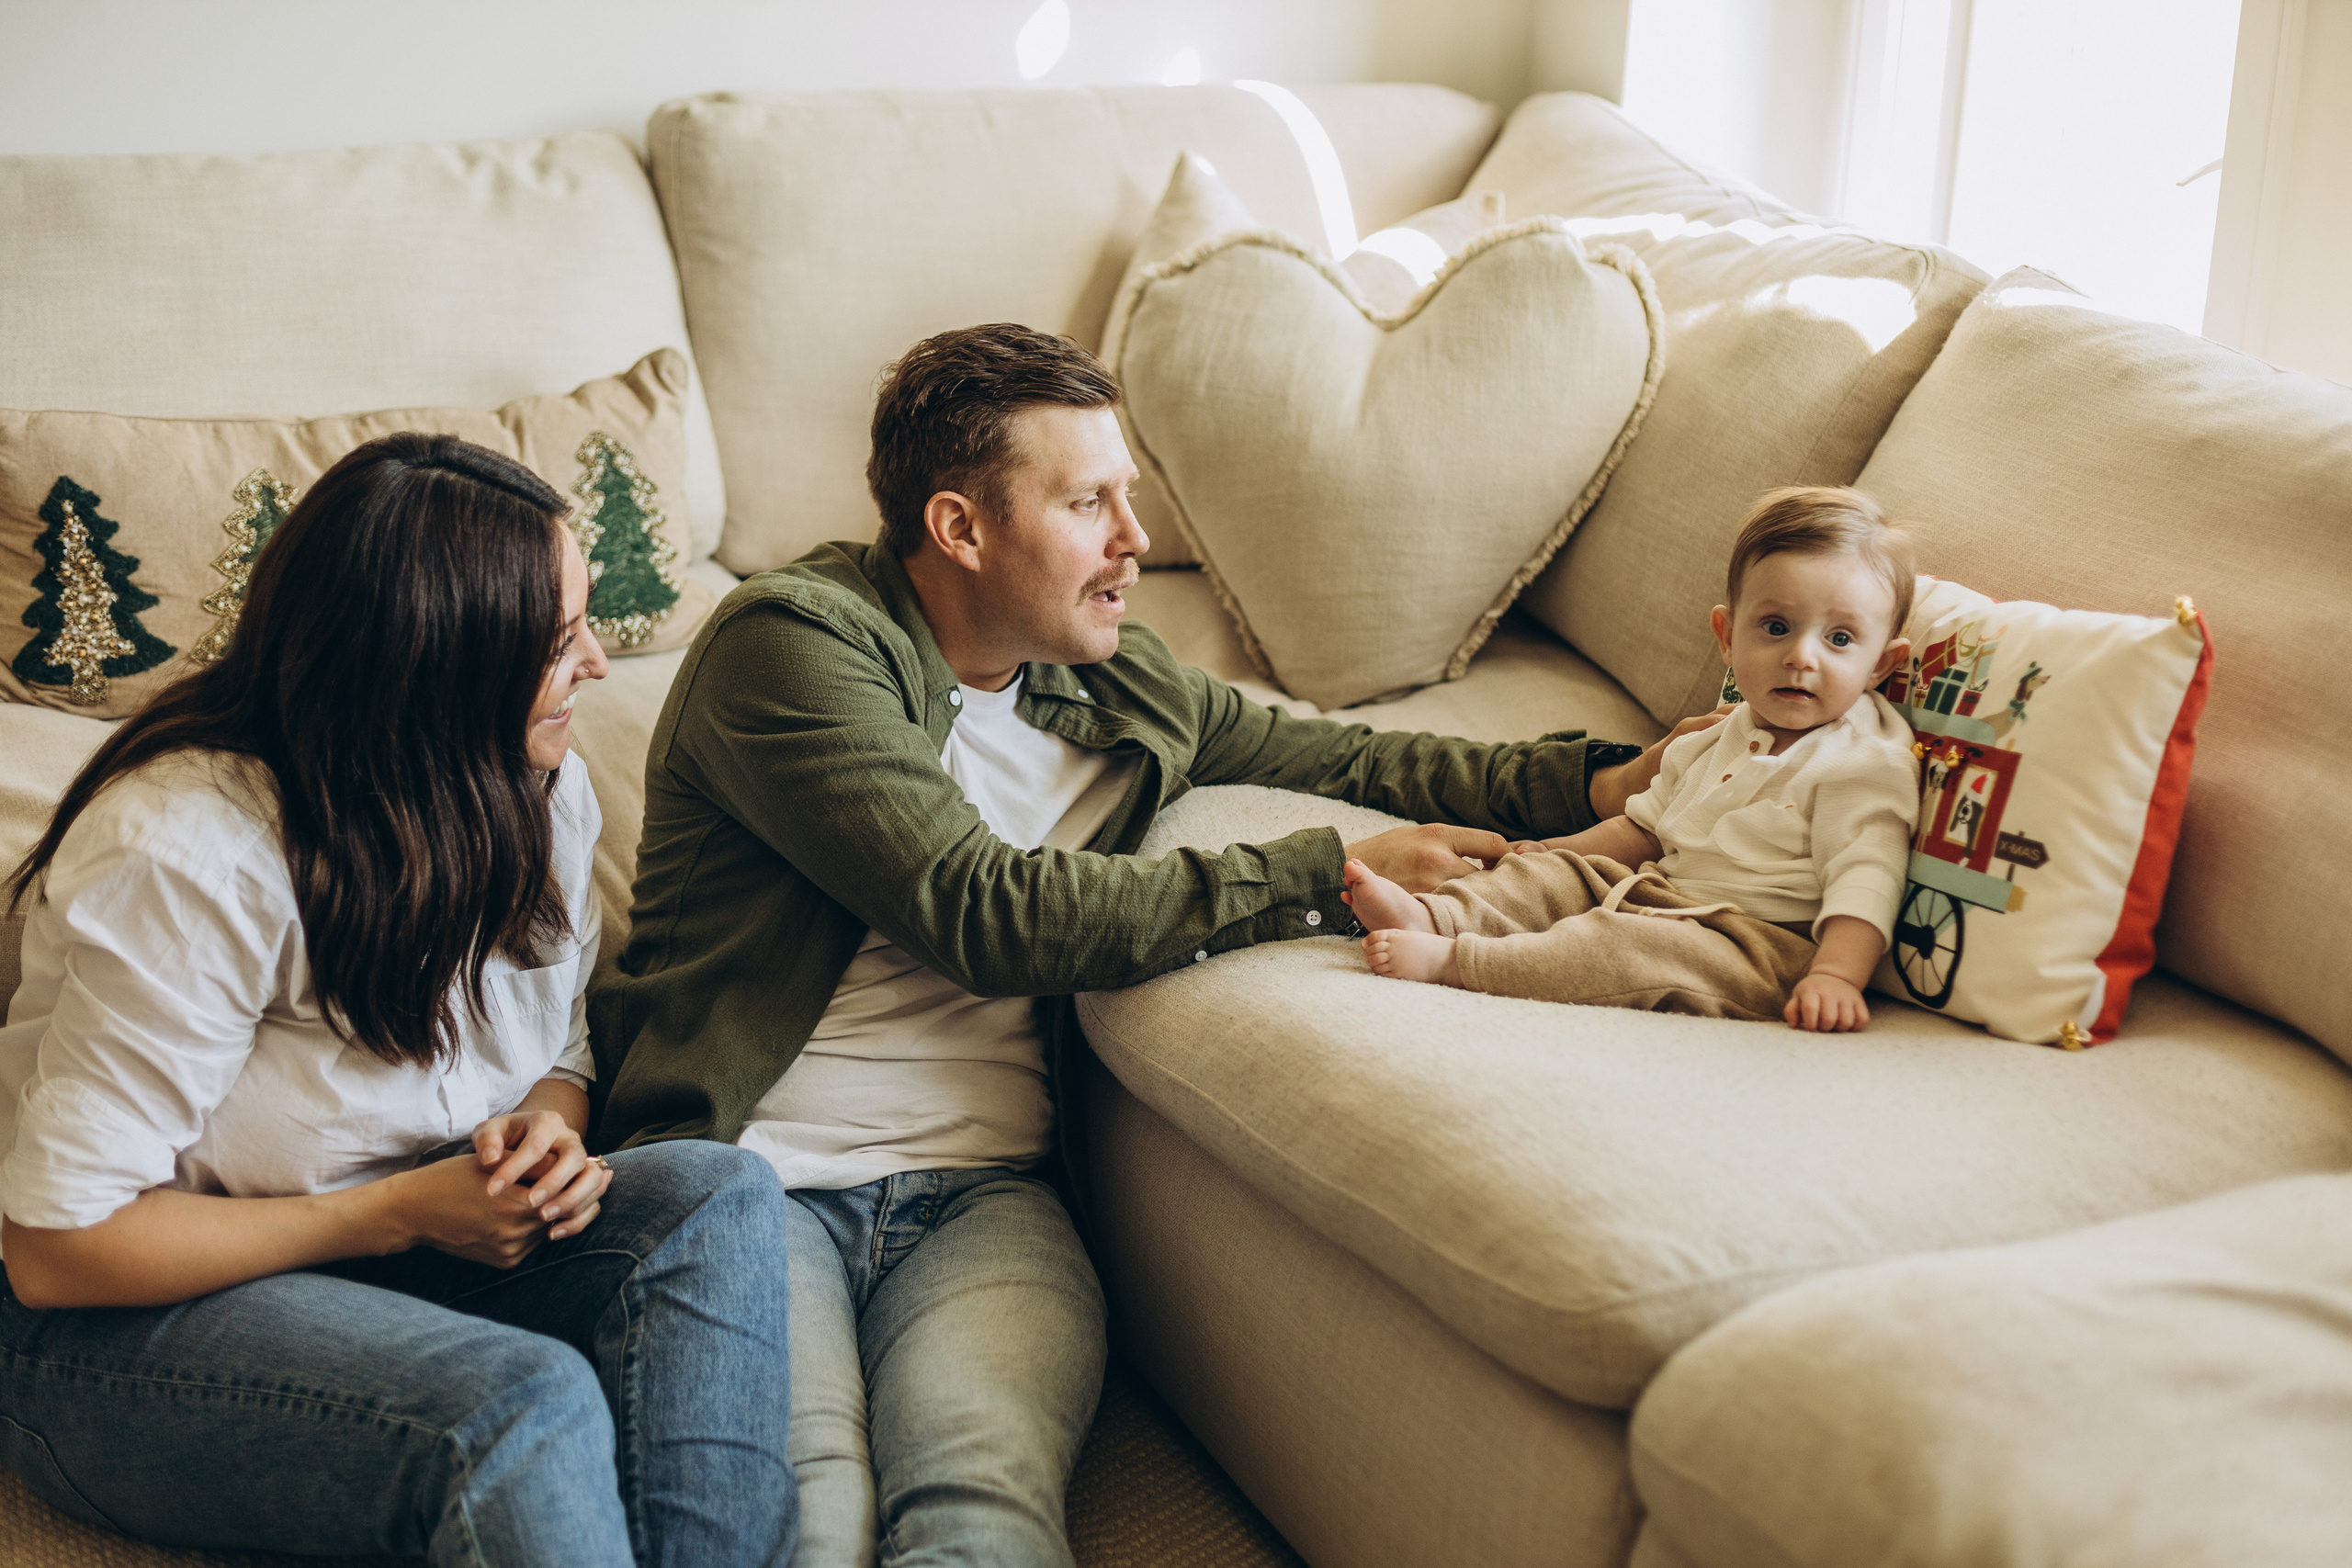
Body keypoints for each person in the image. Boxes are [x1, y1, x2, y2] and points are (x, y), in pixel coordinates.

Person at [590, 322, 1712, 1567]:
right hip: (754, 1179)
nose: (1135, 536)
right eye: (1088, 502)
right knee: (813, 1508)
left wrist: (1607, 774)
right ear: (960, 528)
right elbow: (984, 912)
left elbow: (1346, 753)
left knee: (981, 1492)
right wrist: (1317, 877)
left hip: (987, 1194)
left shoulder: (1112, 676)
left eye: (1128, 494)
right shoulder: (793, 645)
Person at [0, 434, 797, 1567]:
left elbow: (555, 1040)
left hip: (404, 1251)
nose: (601, 666)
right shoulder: (189, 856)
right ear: (438, 667)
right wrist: (403, 1213)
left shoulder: (532, 781)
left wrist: (545, 1134)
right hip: (107, 1324)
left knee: (715, 1196)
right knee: (521, 1403)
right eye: (560, 640)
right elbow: (56, 1248)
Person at [1348, 486, 1921, 1033]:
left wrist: (1836, 976)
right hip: (1655, 891)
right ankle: (1434, 917)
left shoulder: (1864, 764)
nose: (1801, 656)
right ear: (1727, 636)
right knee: (1560, 878)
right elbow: (1641, 829)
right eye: (1776, 628)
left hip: (1757, 946)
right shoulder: (1717, 734)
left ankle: (1458, 962)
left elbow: (1867, 876)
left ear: (1881, 666)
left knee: (1622, 948)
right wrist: (1548, 853)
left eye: (1840, 639)